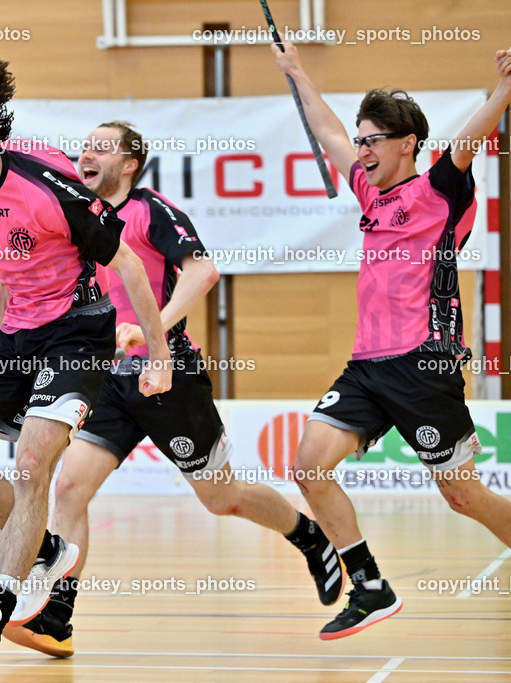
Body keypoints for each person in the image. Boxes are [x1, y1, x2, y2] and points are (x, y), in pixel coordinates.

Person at [3, 122, 345, 658]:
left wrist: (152, 327)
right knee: (69, 488)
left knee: (222, 498)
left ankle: (307, 534)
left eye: (102, 148)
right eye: (85, 147)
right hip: (107, 380)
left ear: (130, 165)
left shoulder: (148, 210)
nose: (87, 155)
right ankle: (58, 619)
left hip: (169, 376)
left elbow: (203, 272)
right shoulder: (76, 216)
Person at [0, 55, 175, 670]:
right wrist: (4, 356)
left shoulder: (42, 188)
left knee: (33, 465)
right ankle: (51, 549)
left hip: (79, 334)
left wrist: (158, 355)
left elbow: (128, 267)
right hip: (16, 337)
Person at [272, 40, 511, 640]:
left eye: (373, 138)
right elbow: (326, 131)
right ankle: (371, 586)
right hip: (367, 367)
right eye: (361, 139)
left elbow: (464, 144)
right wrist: (298, 71)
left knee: (462, 496)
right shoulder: (369, 192)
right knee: (307, 467)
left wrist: (506, 91)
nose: (361, 149)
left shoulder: (438, 191)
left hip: (422, 365)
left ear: (406, 143)